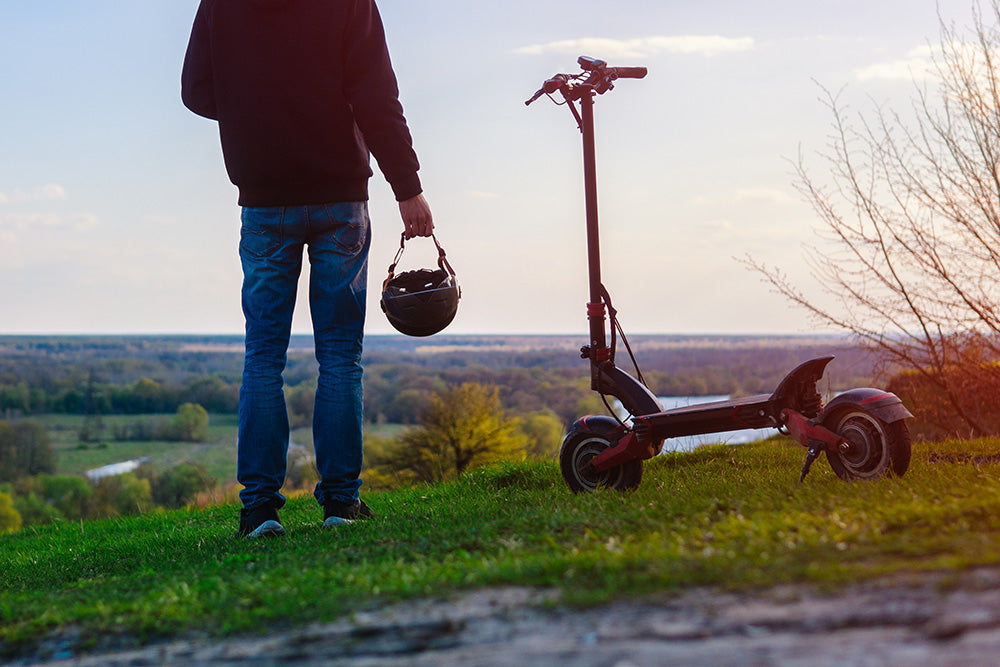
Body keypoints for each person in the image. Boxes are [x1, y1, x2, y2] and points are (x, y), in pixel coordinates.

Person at [181, 0, 433, 538]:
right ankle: (341, 503)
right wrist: (408, 189)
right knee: (340, 355)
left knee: (263, 355)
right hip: (339, 196)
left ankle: (260, 511)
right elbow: (376, 98)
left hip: (264, 199)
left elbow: (197, 91)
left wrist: (257, 108)